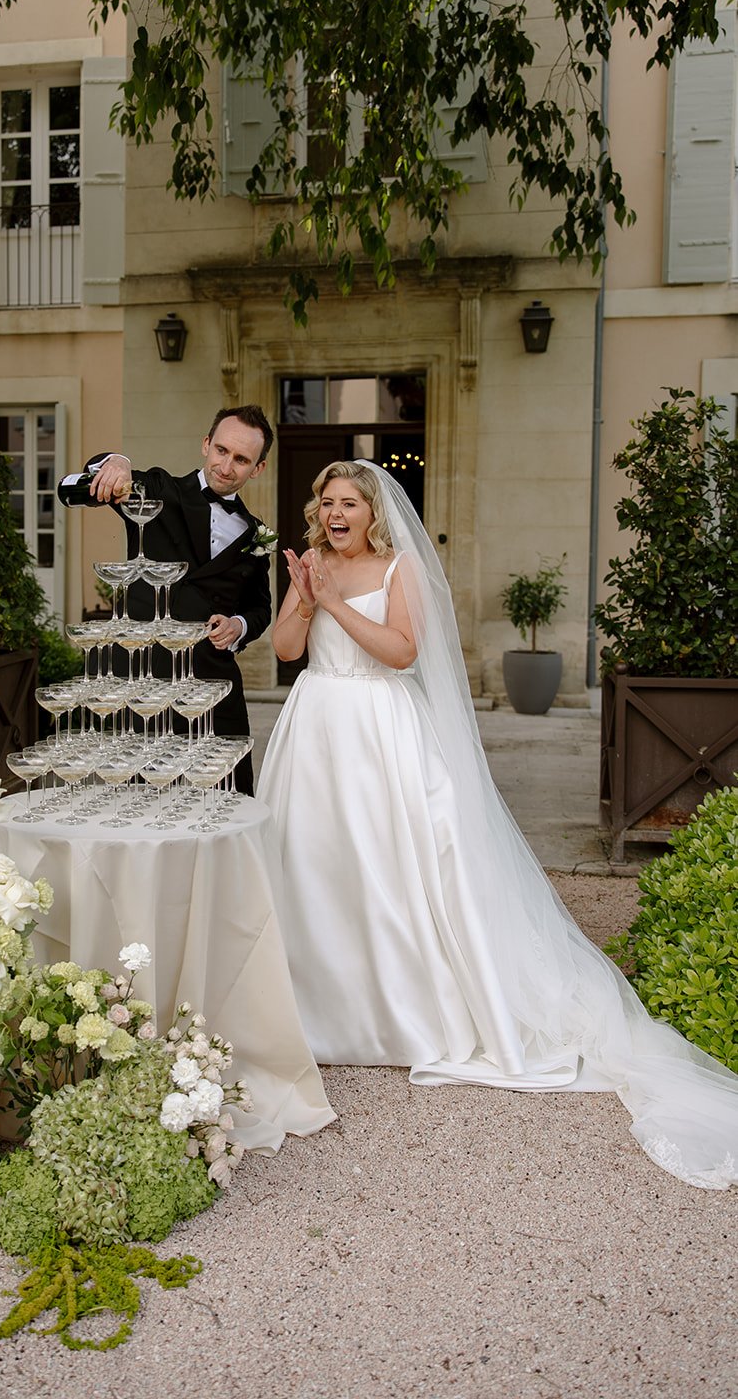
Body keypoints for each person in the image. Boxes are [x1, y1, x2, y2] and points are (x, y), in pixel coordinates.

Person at [257, 459, 738, 1189]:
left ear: (372, 512)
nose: (335, 512)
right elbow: (286, 651)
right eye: (326, 501)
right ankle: (318, 1012)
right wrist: (301, 597)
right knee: (310, 867)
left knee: (392, 872)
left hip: (379, 731)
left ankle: (404, 1014)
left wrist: (337, 604)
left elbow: (401, 652)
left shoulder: (399, 568)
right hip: (315, 725)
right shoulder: (311, 567)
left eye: (349, 502)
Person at [64, 405, 274, 793]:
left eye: (242, 459)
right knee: (147, 801)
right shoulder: (158, 490)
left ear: (257, 468)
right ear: (206, 444)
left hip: (215, 688)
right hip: (148, 679)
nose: (227, 466)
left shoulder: (255, 534)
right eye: (222, 451)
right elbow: (82, 483)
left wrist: (239, 625)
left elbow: (261, 608)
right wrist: (117, 463)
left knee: (224, 803)